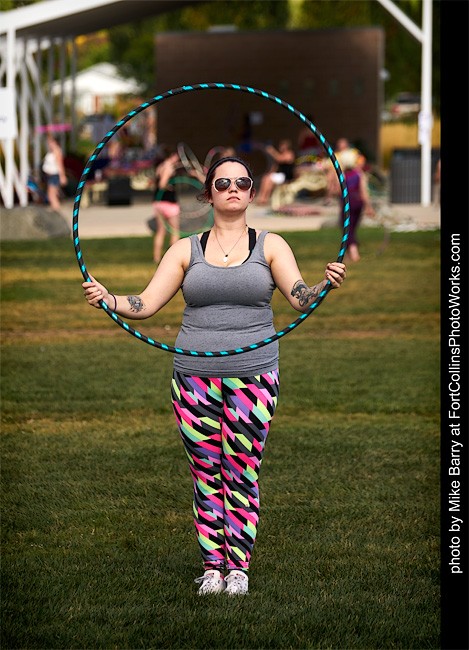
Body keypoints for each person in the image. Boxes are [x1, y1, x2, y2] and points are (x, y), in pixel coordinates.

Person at [83, 156, 346, 596]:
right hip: (193, 377)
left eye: (242, 181)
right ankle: (212, 567)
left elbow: (300, 298)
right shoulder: (185, 249)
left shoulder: (271, 245)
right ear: (208, 193)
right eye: (222, 183)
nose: (233, 188)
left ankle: (238, 568)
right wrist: (109, 298)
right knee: (206, 473)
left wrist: (323, 285)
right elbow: (146, 303)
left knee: (241, 471)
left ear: (252, 192)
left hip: (253, 377)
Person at [339, 148, 375, 262]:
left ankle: (354, 253)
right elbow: (364, 192)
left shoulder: (342, 175)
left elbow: (336, 190)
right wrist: (368, 206)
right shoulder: (359, 174)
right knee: (352, 228)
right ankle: (349, 254)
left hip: (347, 205)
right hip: (358, 203)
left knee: (347, 229)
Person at [150, 148, 181, 264]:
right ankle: (173, 259)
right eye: (176, 155)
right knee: (175, 231)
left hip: (158, 203)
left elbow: (156, 182)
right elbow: (162, 184)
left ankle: (156, 258)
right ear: (172, 155)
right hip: (169, 203)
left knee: (161, 231)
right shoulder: (169, 167)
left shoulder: (160, 166)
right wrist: (169, 186)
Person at [256, 139, 296, 206]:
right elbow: (275, 167)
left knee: (269, 179)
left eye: (282, 146)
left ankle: (264, 198)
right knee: (265, 178)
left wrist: (272, 151)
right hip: (280, 176)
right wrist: (269, 173)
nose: (280, 147)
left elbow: (280, 159)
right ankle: (262, 197)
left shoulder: (290, 154)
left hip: (286, 176)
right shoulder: (280, 155)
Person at [42, 133, 67, 212]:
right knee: (53, 194)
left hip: (54, 175)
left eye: (50, 142)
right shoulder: (51, 151)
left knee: (51, 195)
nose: (49, 144)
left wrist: (62, 176)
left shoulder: (57, 151)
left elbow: (60, 164)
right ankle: (55, 209)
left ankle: (56, 210)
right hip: (50, 176)